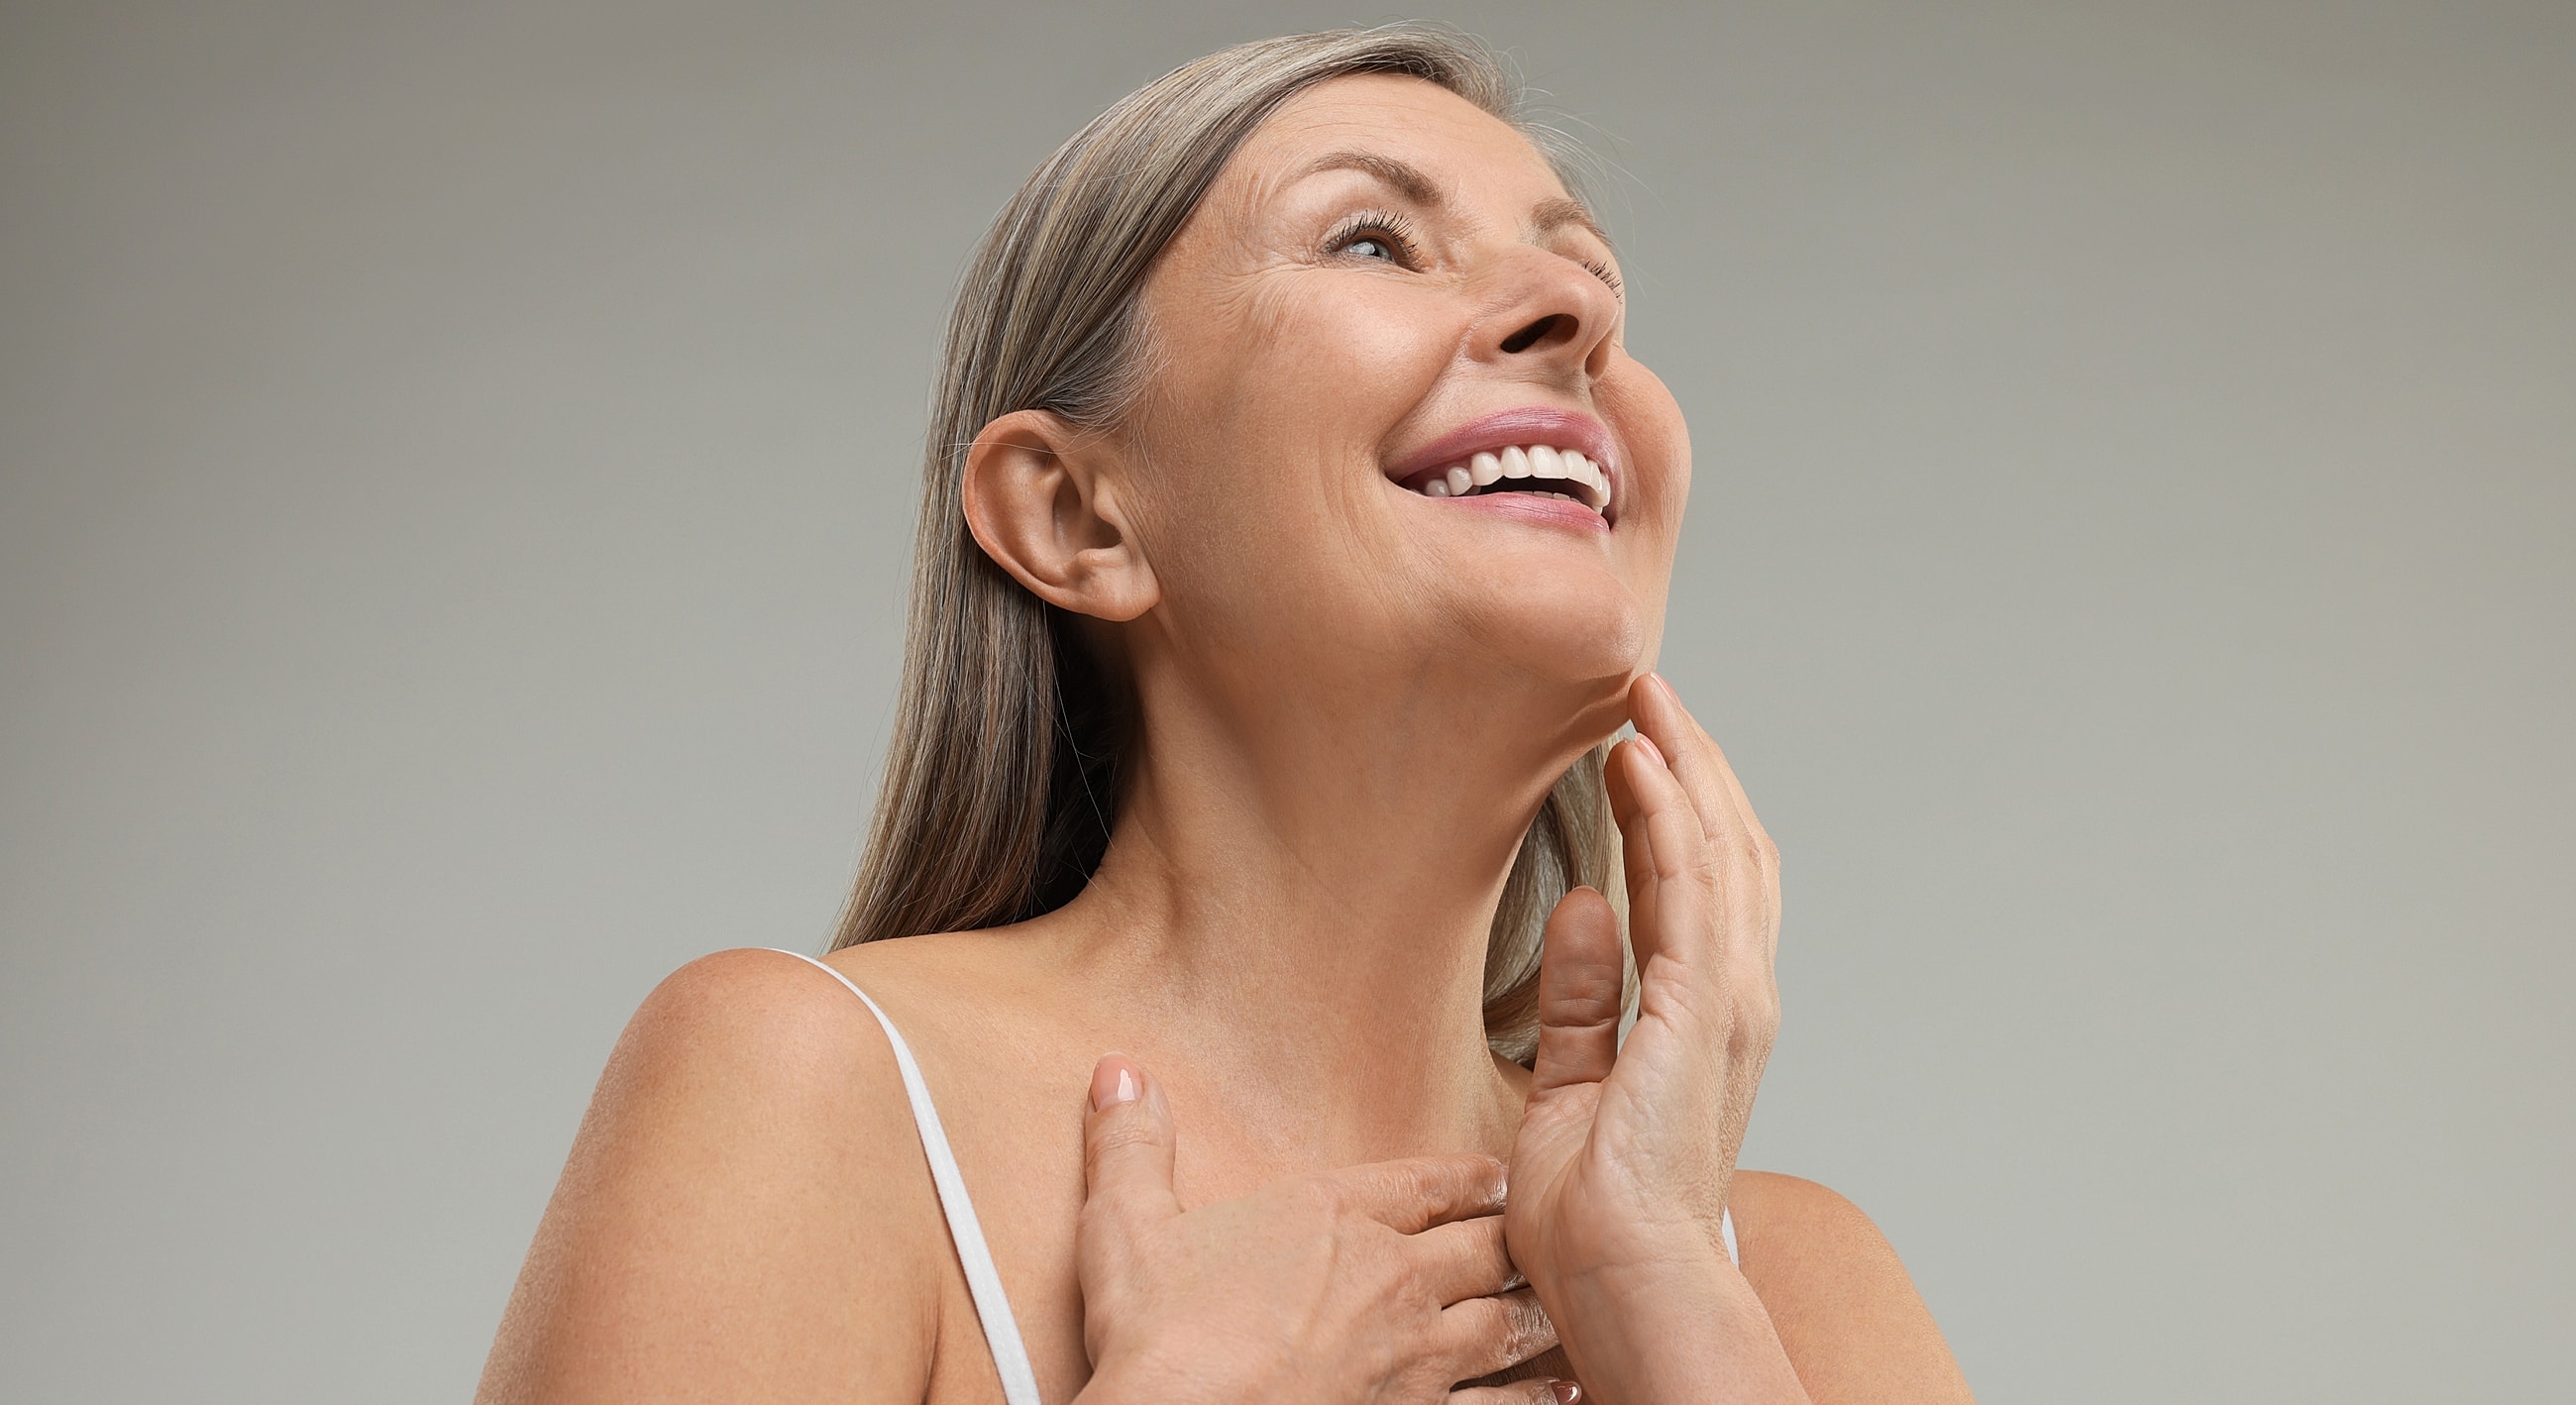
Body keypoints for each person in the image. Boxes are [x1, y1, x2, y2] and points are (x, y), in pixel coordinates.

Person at [478, 26, 1975, 1405]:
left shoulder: (1796, 1289)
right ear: (1077, 517)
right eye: (1374, 240)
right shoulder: (805, 1099)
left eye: (1592, 278)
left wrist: (1669, 1301)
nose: (1577, 312)